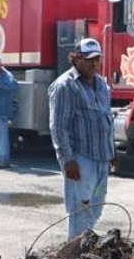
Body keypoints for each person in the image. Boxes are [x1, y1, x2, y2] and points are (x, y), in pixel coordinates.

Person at [49, 38, 117, 240]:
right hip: (81, 159)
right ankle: (76, 256)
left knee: (95, 208)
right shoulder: (65, 86)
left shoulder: (102, 85)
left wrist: (112, 152)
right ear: (76, 59)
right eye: (89, 60)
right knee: (80, 211)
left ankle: (82, 248)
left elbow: (106, 120)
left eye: (97, 59)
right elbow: (59, 126)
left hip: (101, 159)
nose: (94, 64)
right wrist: (67, 160)